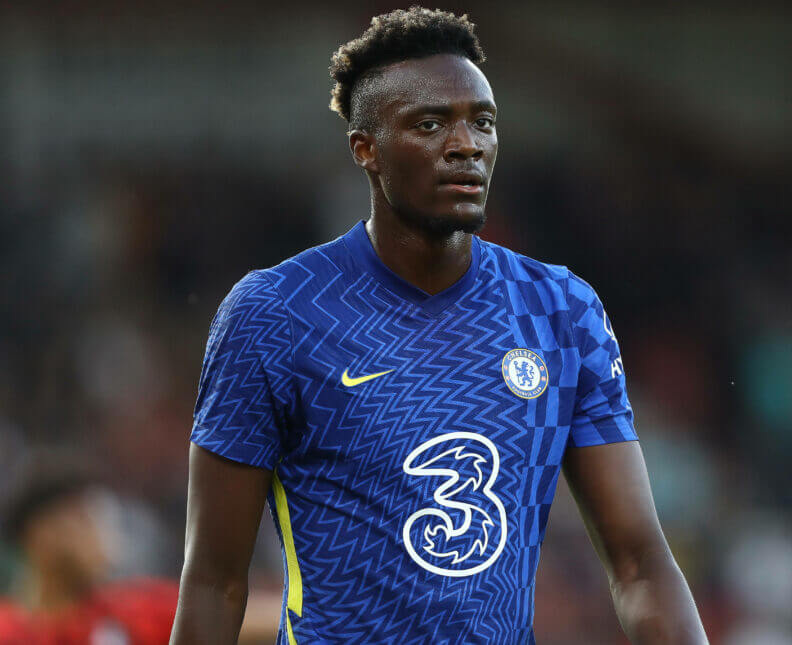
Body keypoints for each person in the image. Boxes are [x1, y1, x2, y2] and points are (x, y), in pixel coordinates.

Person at [171, 7, 708, 644]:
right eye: (430, 124)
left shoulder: (560, 310)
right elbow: (214, 581)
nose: (466, 145)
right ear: (365, 149)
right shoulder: (275, 313)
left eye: (482, 122)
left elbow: (640, 563)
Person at [0, 456, 178, 644]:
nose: (102, 536)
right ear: (43, 534)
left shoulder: (146, 611)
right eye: (85, 519)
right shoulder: (8, 632)